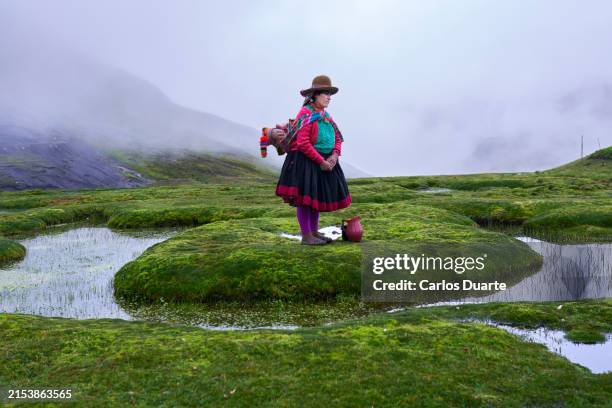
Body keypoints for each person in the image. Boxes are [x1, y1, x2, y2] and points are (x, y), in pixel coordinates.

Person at [275, 75, 352, 245]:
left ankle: (314, 232)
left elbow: (338, 138)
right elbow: (303, 143)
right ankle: (306, 235)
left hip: (324, 161)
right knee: (305, 200)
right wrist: (321, 161)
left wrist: (334, 155)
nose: (329, 98)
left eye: (330, 94)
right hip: (306, 162)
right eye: (326, 94)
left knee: (314, 199)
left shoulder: (326, 115)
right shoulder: (306, 113)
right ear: (315, 95)